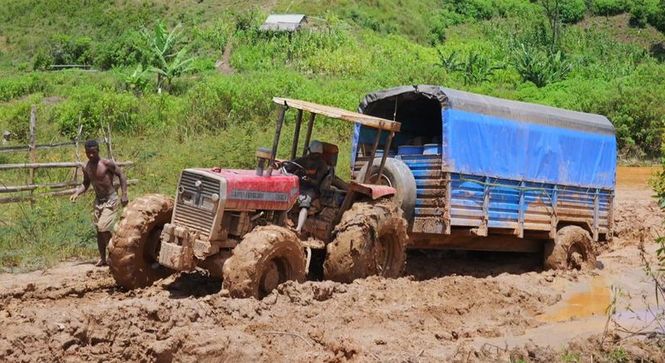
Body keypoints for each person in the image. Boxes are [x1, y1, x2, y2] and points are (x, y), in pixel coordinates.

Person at [70, 140, 128, 266]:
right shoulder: (87, 167)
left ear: (98, 151)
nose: (90, 155)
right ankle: (103, 258)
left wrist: (124, 194)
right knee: (99, 230)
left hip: (111, 199)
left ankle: (115, 251)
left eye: (93, 152)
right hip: (98, 201)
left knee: (103, 227)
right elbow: (86, 183)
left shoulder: (106, 163)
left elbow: (121, 175)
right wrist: (77, 193)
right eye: (88, 153)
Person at [285, 140, 330, 233]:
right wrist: (286, 167)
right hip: (299, 185)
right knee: (285, 196)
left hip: (312, 189)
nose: (313, 156)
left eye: (316, 154)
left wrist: (309, 179)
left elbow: (317, 181)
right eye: (313, 154)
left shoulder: (322, 165)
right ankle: (283, 221)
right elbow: (291, 165)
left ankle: (298, 229)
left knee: (304, 203)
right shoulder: (303, 160)